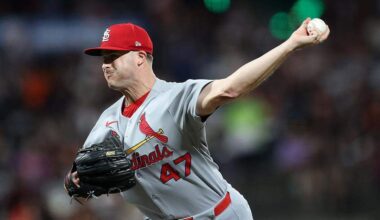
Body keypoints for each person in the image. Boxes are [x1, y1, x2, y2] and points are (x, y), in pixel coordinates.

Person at [65, 19, 329, 219]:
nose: (105, 64)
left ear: (140, 58)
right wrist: (73, 180)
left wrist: (291, 44)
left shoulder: (175, 98)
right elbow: (80, 171)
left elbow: (230, 88)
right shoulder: (107, 120)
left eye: (113, 56)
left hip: (219, 214)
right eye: (103, 58)